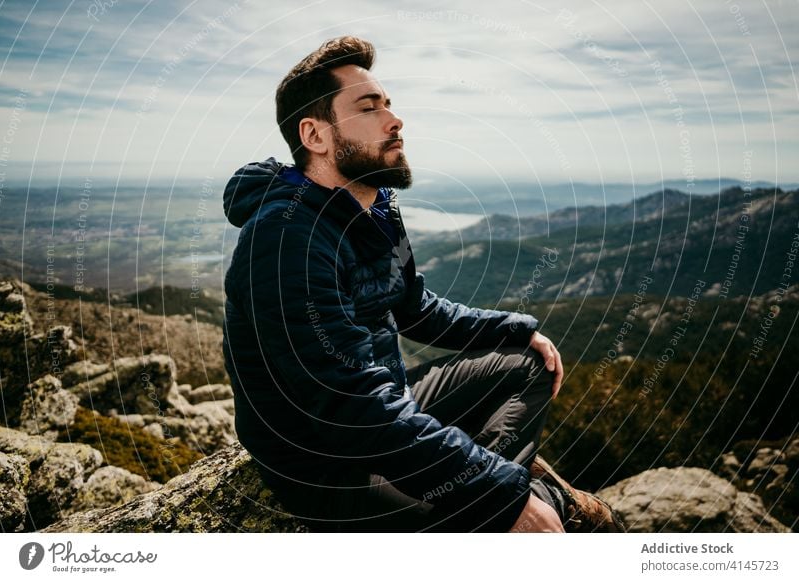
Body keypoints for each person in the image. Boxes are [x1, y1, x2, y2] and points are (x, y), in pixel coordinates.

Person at [222, 35, 623, 533]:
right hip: (334, 464)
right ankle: (500, 501)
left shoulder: (376, 209)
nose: (395, 119)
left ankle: (484, 496)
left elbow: (417, 309)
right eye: (369, 108)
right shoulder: (284, 238)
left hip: (388, 406)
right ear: (316, 136)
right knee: (544, 513)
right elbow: (351, 405)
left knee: (528, 362)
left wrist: (518, 329)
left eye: (389, 103)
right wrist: (500, 494)